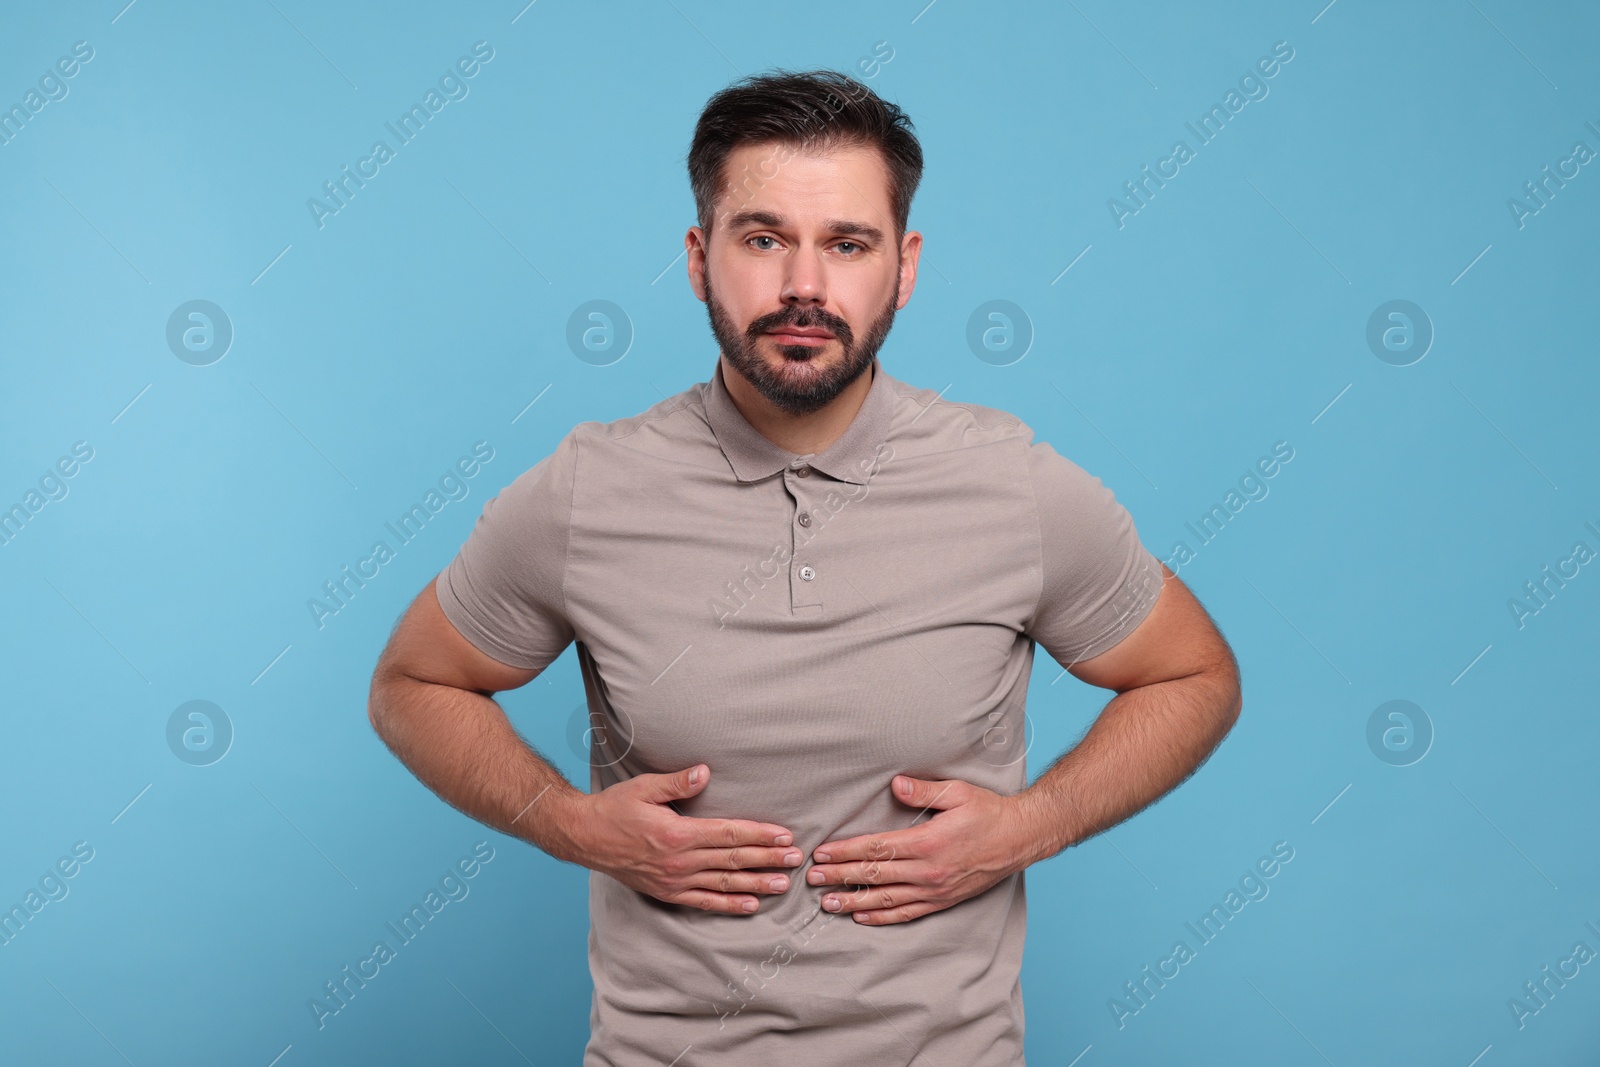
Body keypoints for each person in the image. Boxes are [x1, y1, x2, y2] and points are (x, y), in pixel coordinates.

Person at [368, 68, 1241, 1065]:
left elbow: (1193, 673)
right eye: (762, 237)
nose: (803, 286)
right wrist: (569, 823)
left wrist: (1031, 823)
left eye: (847, 244)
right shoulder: (587, 490)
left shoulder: (1011, 484)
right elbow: (413, 682)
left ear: (904, 268)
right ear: (698, 259)